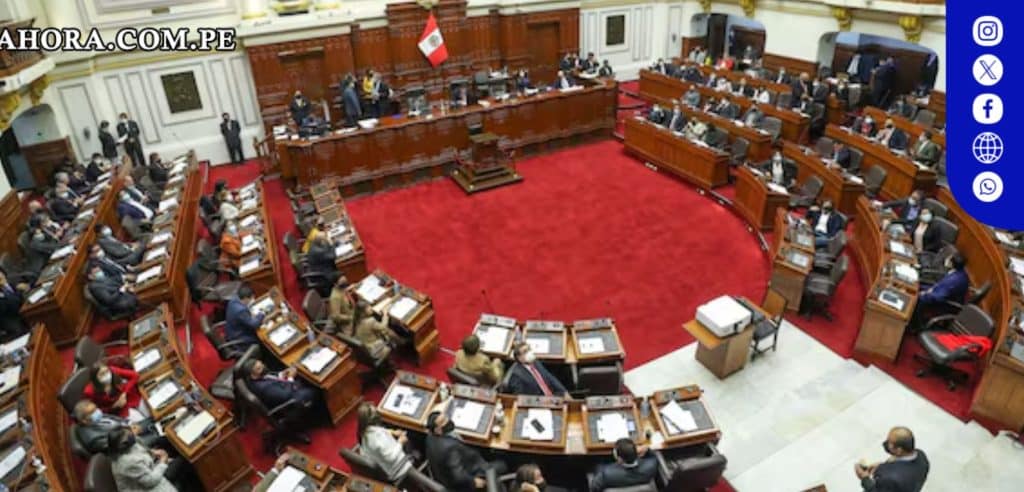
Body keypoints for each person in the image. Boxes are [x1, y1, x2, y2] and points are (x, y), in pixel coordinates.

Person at [425, 410, 506, 490]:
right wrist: (473, 482)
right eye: (443, 421)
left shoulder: (430, 436)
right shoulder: (450, 449)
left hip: (449, 472)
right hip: (473, 472)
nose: (448, 420)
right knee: (503, 463)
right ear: (437, 430)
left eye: (445, 417)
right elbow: (458, 476)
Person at [242, 358, 318, 440]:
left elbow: (269, 377)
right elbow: (286, 395)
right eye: (259, 368)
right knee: (313, 388)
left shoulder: (253, 378)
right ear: (253, 375)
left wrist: (281, 374)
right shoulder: (264, 388)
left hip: (278, 391)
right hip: (287, 403)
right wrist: (290, 378)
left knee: (303, 377)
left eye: (261, 364)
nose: (263, 367)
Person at [107, 427, 182, 492]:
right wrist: (163, 462)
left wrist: (152, 452)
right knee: (182, 460)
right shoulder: (127, 463)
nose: (132, 434)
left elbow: (138, 450)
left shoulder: (121, 448)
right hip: (146, 486)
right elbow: (151, 481)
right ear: (124, 444)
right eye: (130, 435)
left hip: (148, 471)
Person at [855, 427, 929, 492]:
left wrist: (864, 478)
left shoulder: (890, 479)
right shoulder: (921, 455)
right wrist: (884, 465)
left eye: (889, 443)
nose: (885, 443)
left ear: (899, 450)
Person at [357, 403, 414, 483]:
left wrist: (392, 432)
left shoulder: (364, 432)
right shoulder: (378, 439)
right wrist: (400, 442)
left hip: (382, 465)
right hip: (398, 469)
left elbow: (378, 430)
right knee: (411, 439)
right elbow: (391, 458)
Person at [83, 362, 148, 422]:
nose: (107, 375)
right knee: (142, 421)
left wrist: (124, 393)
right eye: (102, 374)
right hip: (119, 411)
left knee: (149, 413)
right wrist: (113, 407)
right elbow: (96, 411)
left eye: (107, 371)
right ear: (95, 379)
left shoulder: (112, 371)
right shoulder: (89, 392)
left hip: (131, 398)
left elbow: (135, 375)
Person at [589, 438, 658, 492]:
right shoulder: (650, 466)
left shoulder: (606, 473)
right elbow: (653, 456)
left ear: (620, 459)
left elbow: (594, 488)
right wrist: (646, 449)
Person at [0, 268, 29, 340]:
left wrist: (27, 287)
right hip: (14, 325)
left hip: (26, 311)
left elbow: (27, 284)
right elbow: (13, 306)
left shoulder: (12, 280)